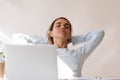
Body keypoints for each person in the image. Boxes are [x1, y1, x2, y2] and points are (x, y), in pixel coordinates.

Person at [20, 17, 105, 79]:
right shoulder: (43, 53)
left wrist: (71, 39)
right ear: (51, 33)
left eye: (66, 27)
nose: (63, 27)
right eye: (58, 25)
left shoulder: (79, 54)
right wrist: (49, 39)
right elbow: (19, 37)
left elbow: (99, 33)